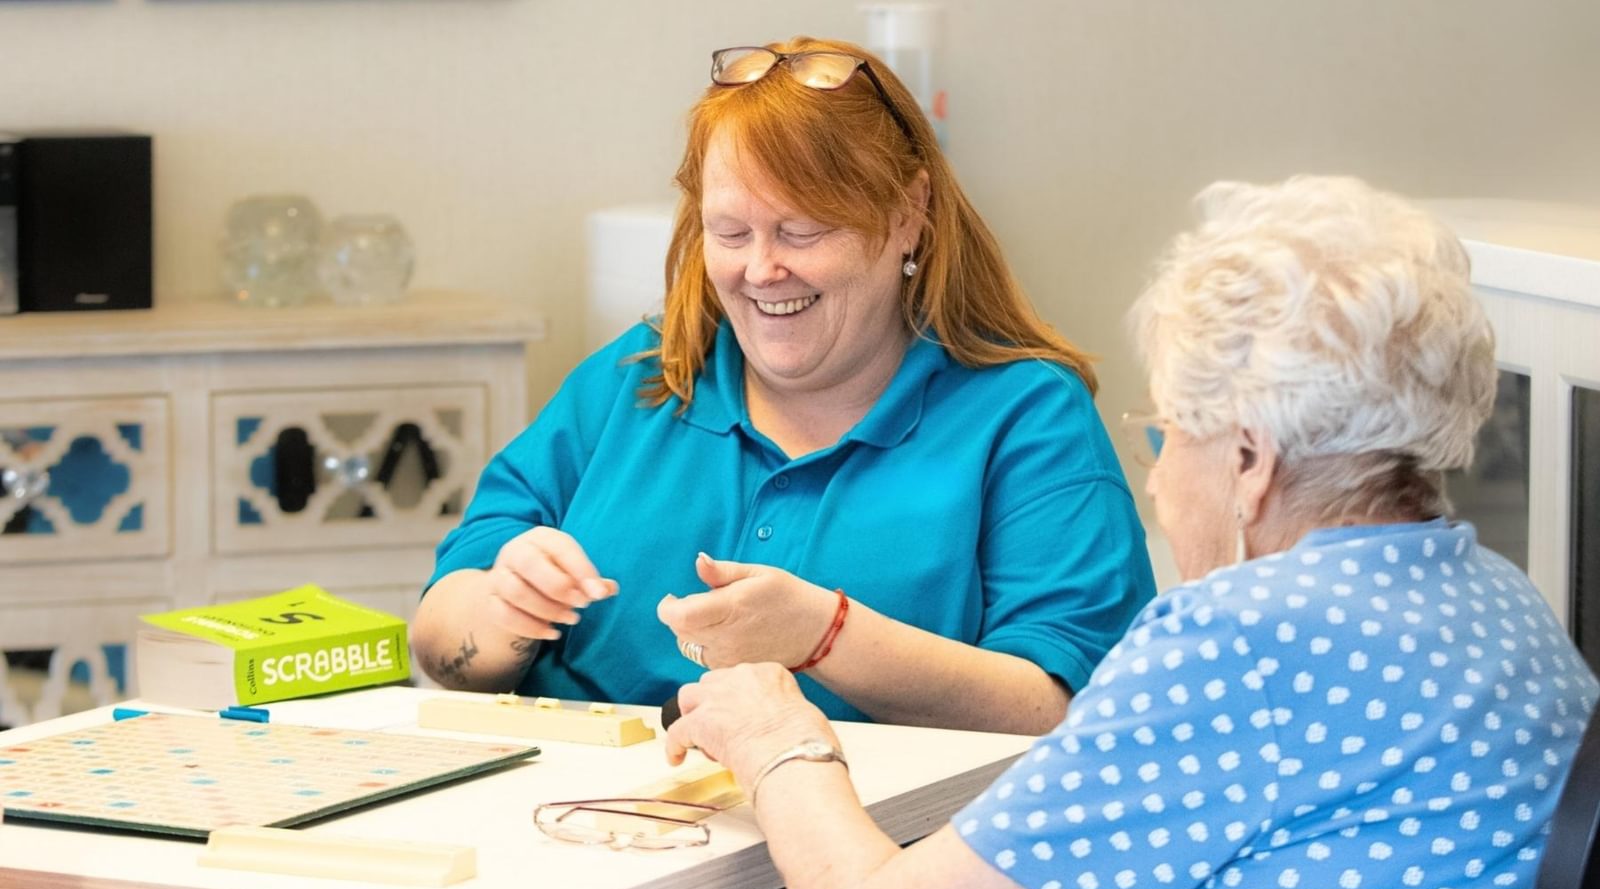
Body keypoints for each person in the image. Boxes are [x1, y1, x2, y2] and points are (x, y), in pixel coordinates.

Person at [665, 176, 1600, 889]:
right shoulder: (1499, 596)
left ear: (1249, 460)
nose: (1157, 473)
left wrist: (777, 737)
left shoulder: (1243, 643)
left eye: (1167, 434)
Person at [411, 37, 1154, 732]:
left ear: (908, 213)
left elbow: (1067, 711)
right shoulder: (643, 376)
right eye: (731, 234)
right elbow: (440, 637)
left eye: (802, 232)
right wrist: (503, 610)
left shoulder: (1023, 415)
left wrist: (828, 638)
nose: (761, 271)